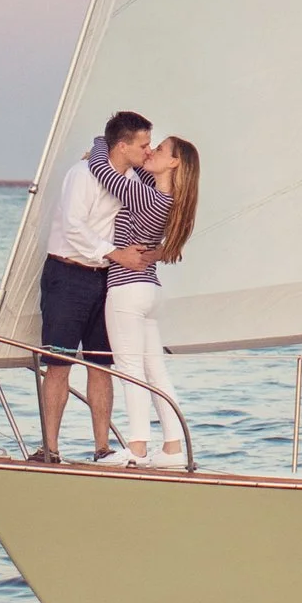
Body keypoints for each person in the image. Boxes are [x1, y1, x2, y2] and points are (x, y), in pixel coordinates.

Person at [36, 111, 154, 462]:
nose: (148, 151)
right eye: (144, 145)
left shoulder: (134, 180)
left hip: (106, 279)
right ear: (122, 145)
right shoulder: (83, 174)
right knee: (59, 363)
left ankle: (102, 448)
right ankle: (50, 449)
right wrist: (116, 253)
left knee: (102, 365)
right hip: (67, 275)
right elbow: (73, 227)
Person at [103, 136, 199, 467]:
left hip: (127, 288)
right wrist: (141, 159)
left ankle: (138, 448)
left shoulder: (148, 196)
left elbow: (104, 171)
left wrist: (105, 141)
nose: (150, 151)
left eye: (158, 149)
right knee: (155, 372)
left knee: (130, 370)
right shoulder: (169, 198)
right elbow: (143, 172)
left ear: (173, 163)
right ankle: (172, 448)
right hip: (150, 290)